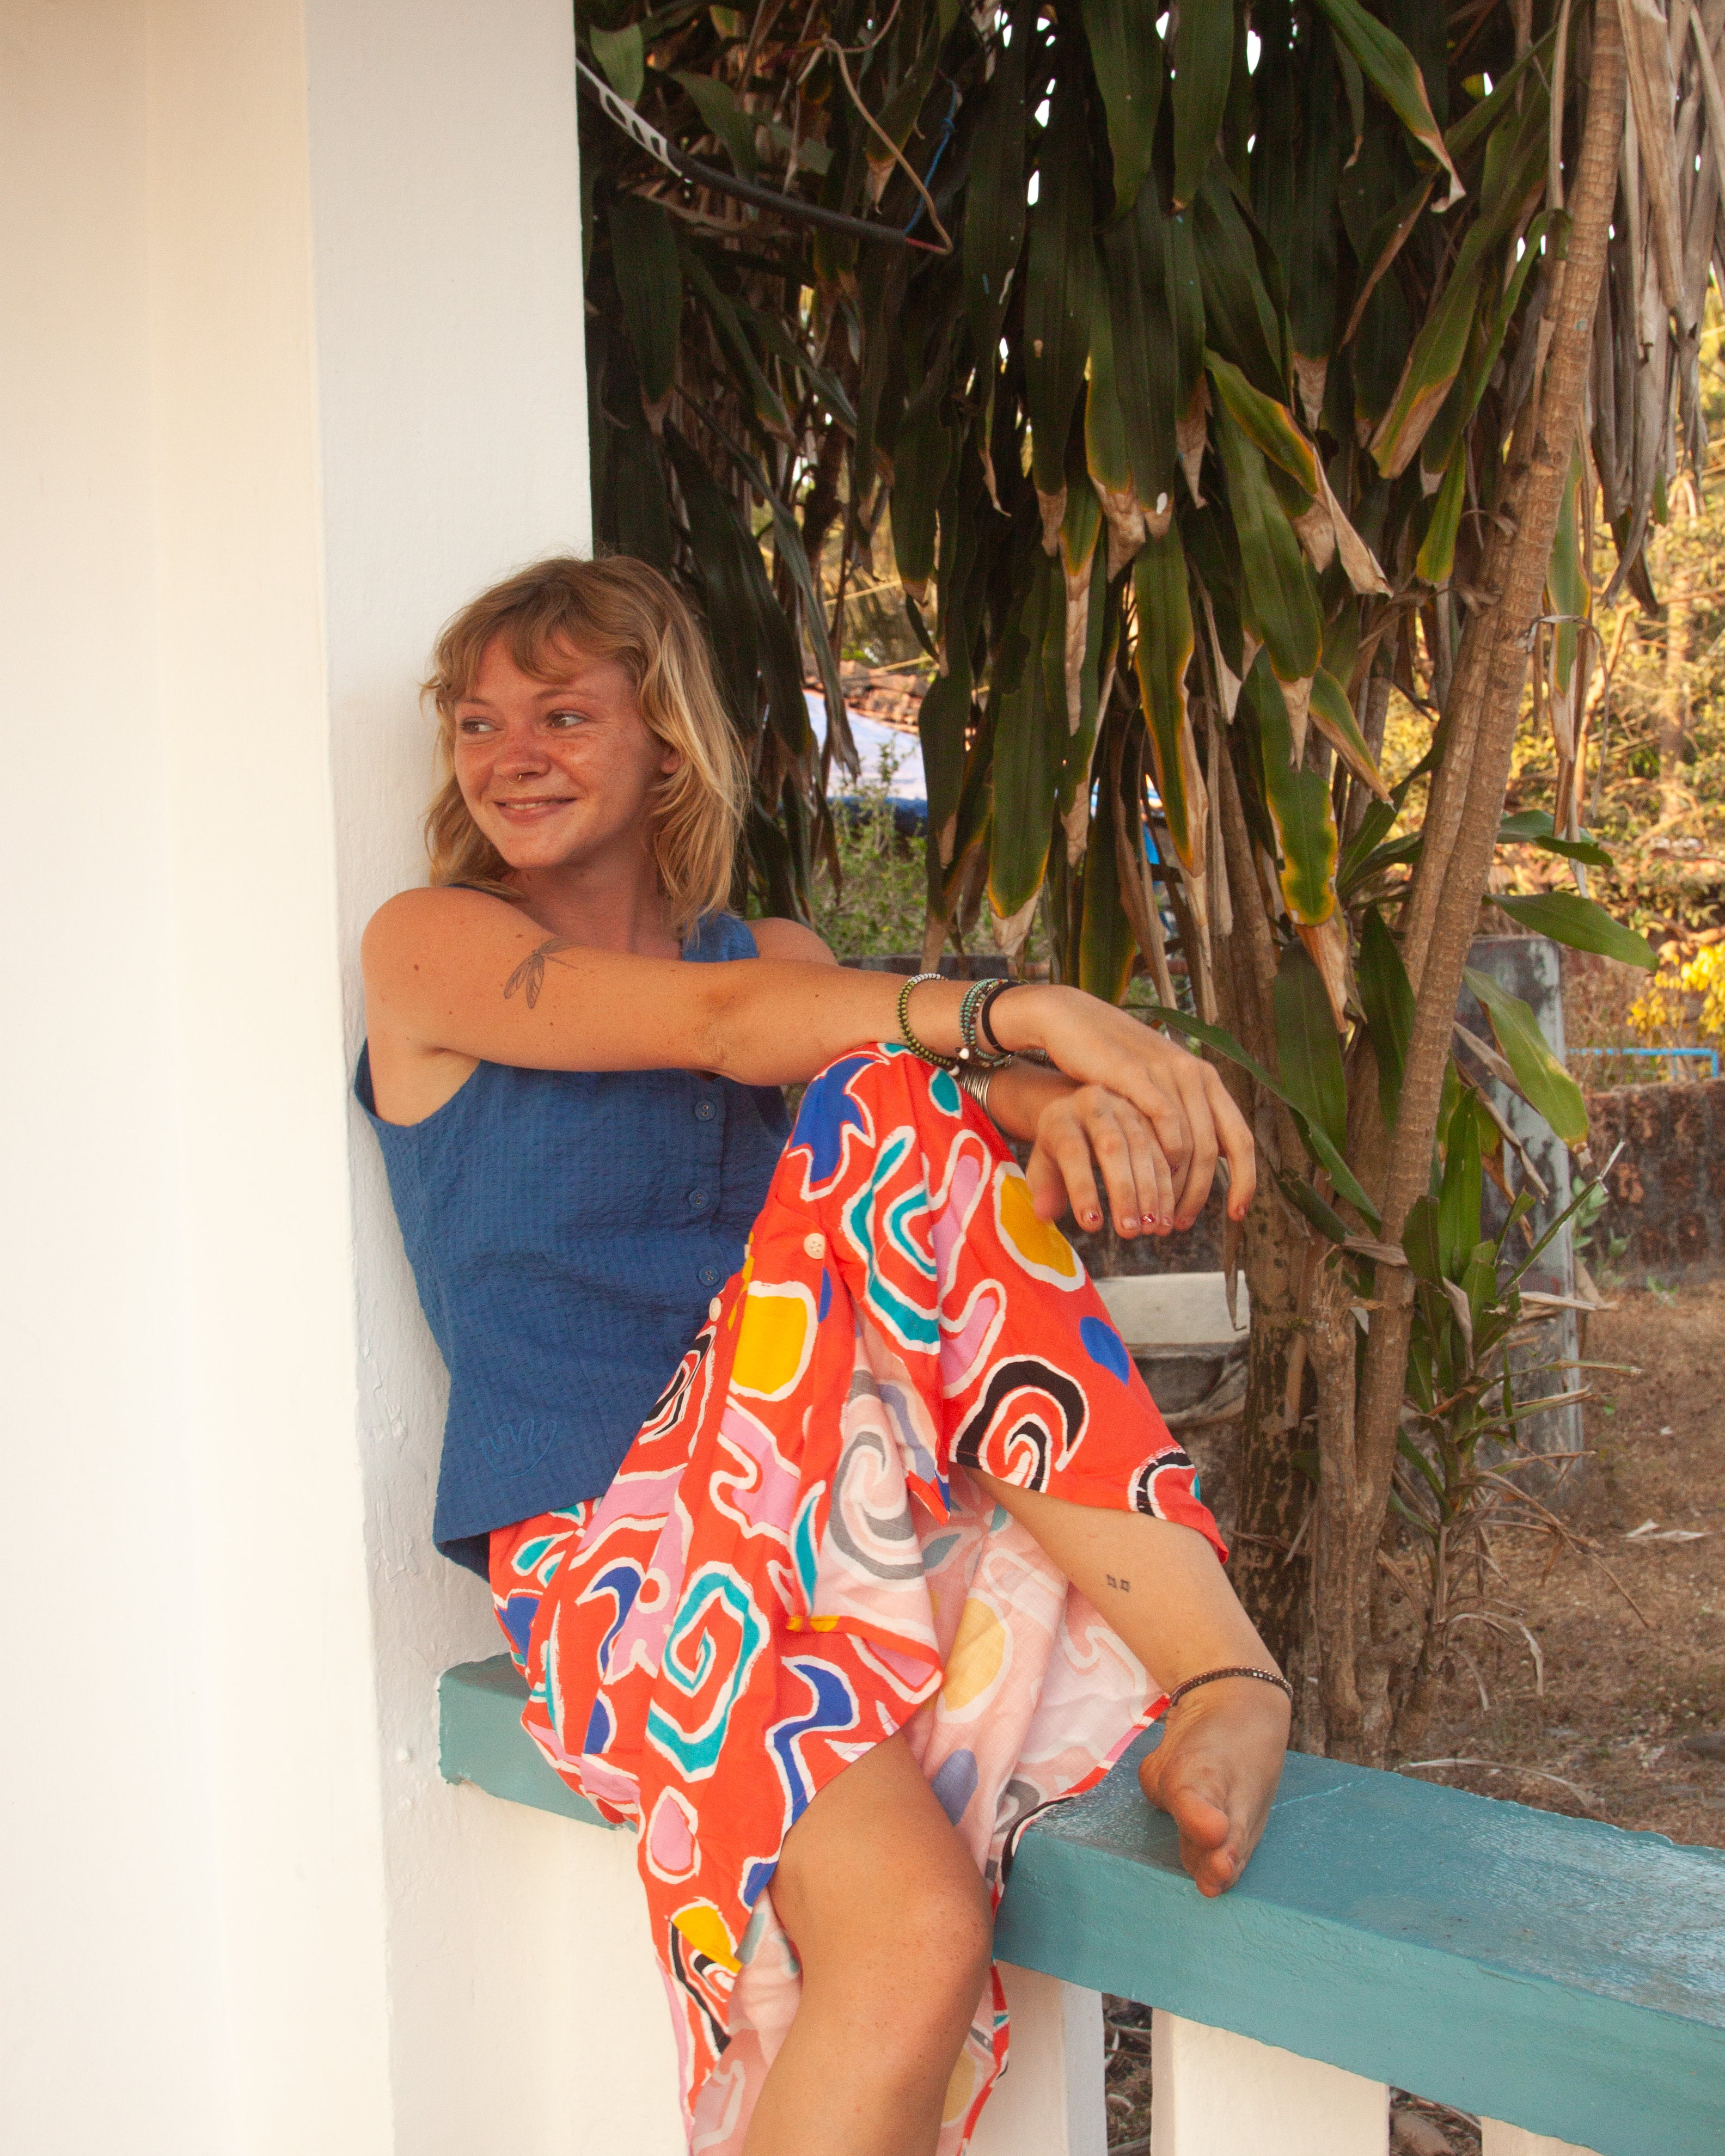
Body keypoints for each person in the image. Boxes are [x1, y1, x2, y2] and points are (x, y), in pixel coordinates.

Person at [358, 556, 1290, 2156]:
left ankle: (1228, 1674)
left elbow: (879, 1077)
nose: (509, 752)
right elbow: (728, 1033)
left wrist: (1078, 1105)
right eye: (476, 721)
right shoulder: (430, 948)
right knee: (911, 1942)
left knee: (911, 1088)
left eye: (564, 713)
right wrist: (1038, 1014)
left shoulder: (776, 953)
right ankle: (1208, 1653)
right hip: (623, 1555)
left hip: (820, 1515)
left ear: (668, 742)